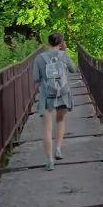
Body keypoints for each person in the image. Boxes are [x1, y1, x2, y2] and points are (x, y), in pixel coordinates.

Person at [32, 32, 77, 171]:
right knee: (60, 121)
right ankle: (58, 148)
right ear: (61, 42)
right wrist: (65, 53)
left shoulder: (39, 58)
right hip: (63, 94)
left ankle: (50, 161)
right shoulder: (63, 55)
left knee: (47, 129)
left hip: (47, 96)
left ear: (48, 42)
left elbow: (36, 78)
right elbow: (73, 70)